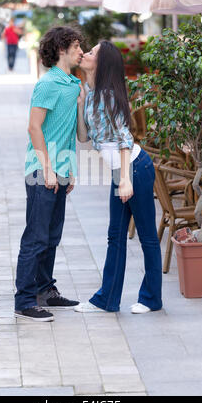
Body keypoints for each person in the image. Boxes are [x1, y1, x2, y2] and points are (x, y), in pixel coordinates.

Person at [74, 40, 162, 314]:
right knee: (115, 237)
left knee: (147, 236)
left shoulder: (108, 95)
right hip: (122, 172)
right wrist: (79, 102)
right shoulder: (92, 94)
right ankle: (107, 299)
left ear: (102, 63)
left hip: (135, 168)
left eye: (91, 53)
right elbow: (84, 137)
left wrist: (124, 179)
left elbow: (125, 137)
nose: (86, 54)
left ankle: (151, 299)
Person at [14, 26, 84, 322]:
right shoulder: (48, 84)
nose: (81, 51)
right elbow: (34, 127)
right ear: (61, 50)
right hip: (42, 172)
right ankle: (25, 300)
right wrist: (48, 169)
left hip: (61, 171)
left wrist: (68, 171)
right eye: (77, 46)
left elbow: (78, 135)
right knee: (36, 237)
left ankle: (45, 290)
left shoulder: (71, 84)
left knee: (52, 237)